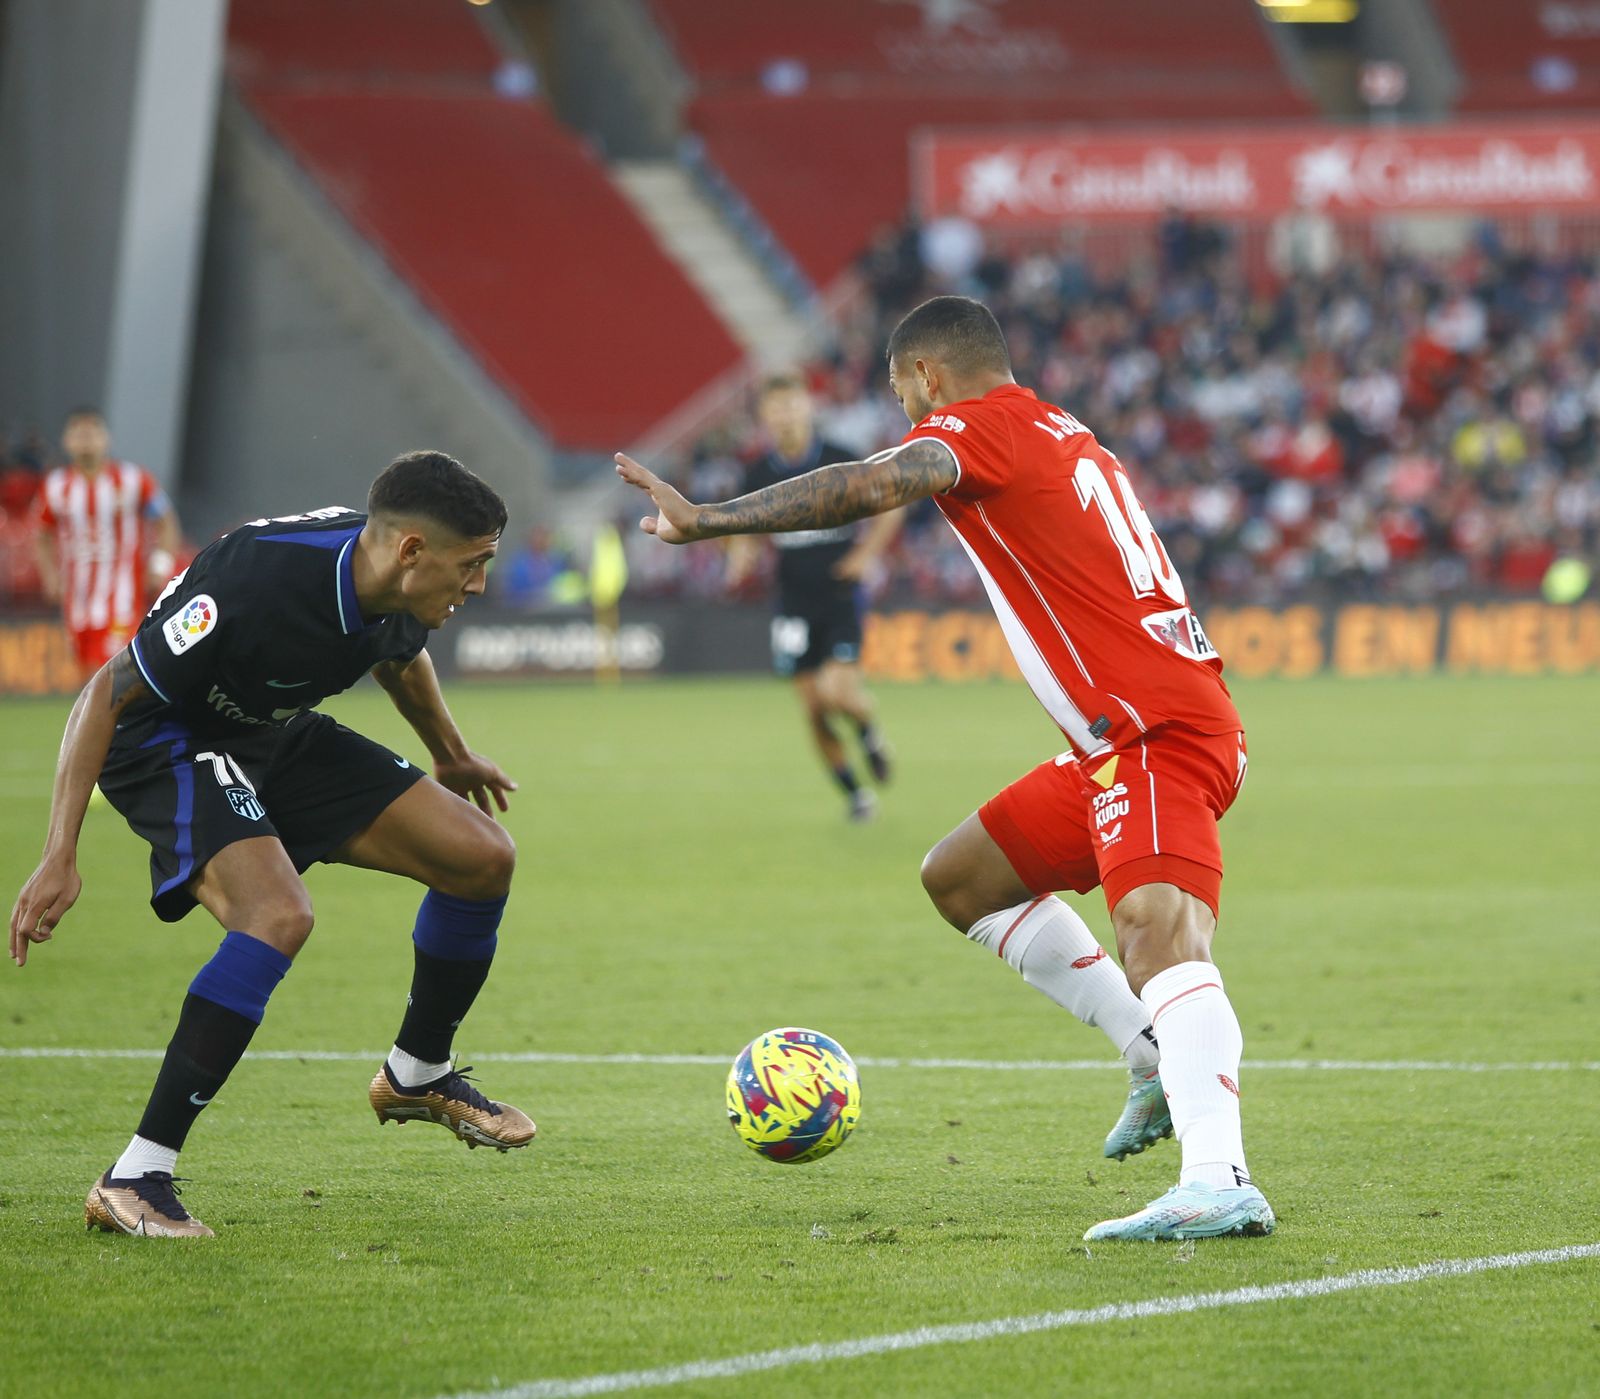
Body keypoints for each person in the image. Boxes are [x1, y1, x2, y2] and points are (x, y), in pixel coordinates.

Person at [617, 297, 1272, 1242]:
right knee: (962, 878)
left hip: (1153, 731)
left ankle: (1219, 1175)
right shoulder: (1059, 425)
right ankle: (1146, 1048)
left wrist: (711, 518)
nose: (904, 417)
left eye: (900, 395)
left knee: (1156, 930)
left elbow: (875, 483)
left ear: (928, 377)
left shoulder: (978, 426)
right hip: (1116, 740)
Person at [8, 451, 533, 1239]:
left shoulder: (393, 586)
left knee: (482, 856)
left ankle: (417, 1072)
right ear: (411, 551)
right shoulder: (256, 579)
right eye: (474, 563)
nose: (479, 584)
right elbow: (107, 692)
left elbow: (401, 653)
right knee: (276, 913)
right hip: (166, 740)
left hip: (268, 732)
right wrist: (60, 850)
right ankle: (136, 1175)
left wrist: (449, 753)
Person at [727, 374, 900, 821]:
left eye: (791, 405)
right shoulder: (757, 472)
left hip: (839, 595)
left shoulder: (839, 460)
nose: (784, 415)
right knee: (813, 708)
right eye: (775, 408)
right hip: (791, 603)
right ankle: (856, 795)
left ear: (808, 408)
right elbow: (744, 529)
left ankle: (868, 728)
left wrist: (864, 555)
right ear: (764, 417)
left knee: (837, 693)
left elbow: (893, 503)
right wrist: (740, 557)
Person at [32, 408, 184, 679]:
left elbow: (166, 521)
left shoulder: (133, 480)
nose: (86, 440)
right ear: (67, 440)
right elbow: (42, 533)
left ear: (106, 438)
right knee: (87, 678)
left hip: (122, 596)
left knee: (114, 673)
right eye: (79, 433)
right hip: (76, 599)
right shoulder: (55, 486)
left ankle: (127, 722)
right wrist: (50, 576)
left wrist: (160, 564)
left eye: (92, 432)